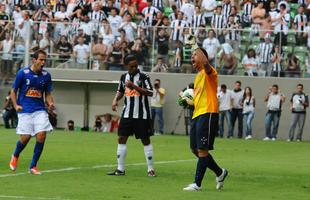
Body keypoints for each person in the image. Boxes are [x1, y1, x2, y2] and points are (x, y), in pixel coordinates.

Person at [183, 47, 228, 191]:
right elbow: (197, 99)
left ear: (203, 58)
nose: (192, 58)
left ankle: (197, 184)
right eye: (191, 56)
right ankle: (220, 173)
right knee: (194, 149)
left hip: (208, 113)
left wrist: (196, 47)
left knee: (202, 149)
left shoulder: (210, 72)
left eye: (194, 55)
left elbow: (206, 63)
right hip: (197, 114)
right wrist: (186, 101)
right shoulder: (197, 77)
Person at [108, 55, 156, 177]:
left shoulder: (144, 76)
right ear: (126, 66)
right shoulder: (124, 77)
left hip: (142, 115)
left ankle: (150, 169)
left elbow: (150, 92)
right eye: (132, 66)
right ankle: (120, 169)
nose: (135, 68)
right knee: (121, 138)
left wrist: (134, 86)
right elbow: (121, 91)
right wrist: (115, 100)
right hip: (127, 114)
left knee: (145, 140)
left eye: (136, 65)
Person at [9, 50, 54, 175]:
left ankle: (33, 166)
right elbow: (13, 91)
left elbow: (48, 94)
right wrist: (16, 105)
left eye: (45, 60)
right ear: (34, 60)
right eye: (41, 59)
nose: (43, 62)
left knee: (41, 135)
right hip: (25, 110)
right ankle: (15, 155)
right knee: (26, 137)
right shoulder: (23, 73)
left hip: (40, 110)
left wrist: (50, 103)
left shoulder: (46, 76)